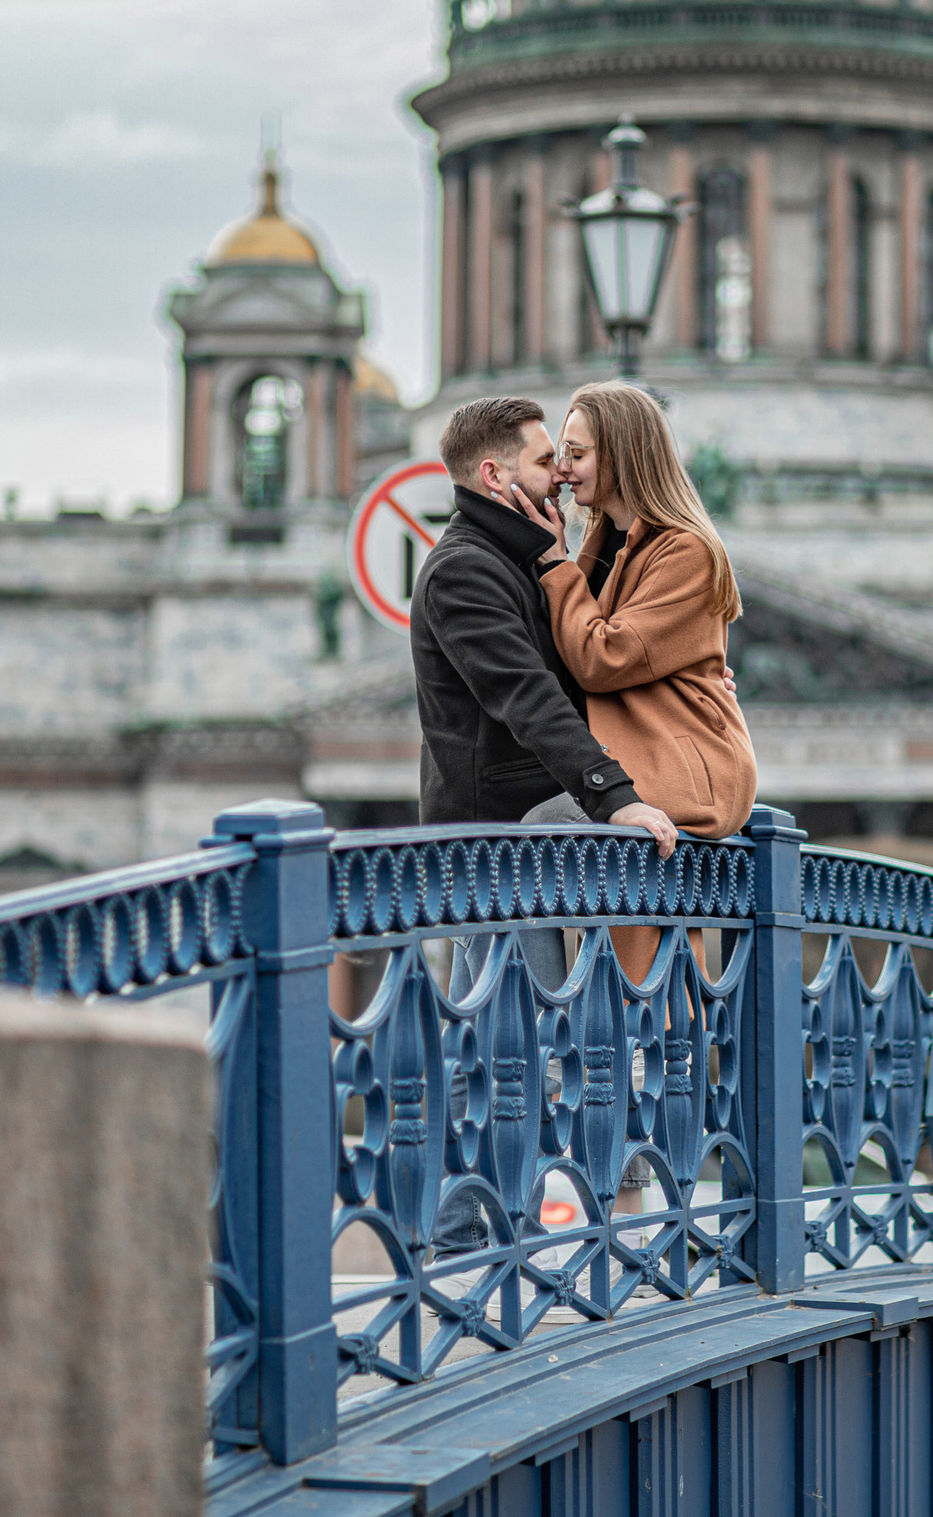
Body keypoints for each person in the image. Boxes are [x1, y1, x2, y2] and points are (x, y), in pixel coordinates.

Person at [412, 396, 681, 1256]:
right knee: (496, 1039)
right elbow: (530, 701)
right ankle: (468, 1240)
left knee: (515, 1035)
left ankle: (501, 1229)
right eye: (543, 463)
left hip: (531, 843)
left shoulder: (520, 556)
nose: (560, 477)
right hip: (491, 846)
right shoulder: (464, 569)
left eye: (568, 462)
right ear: (495, 476)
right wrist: (615, 794)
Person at [504, 381, 758, 984]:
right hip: (643, 751)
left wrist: (551, 564)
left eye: (577, 453)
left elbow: (601, 656)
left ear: (621, 454)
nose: (562, 470)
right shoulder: (604, 542)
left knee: (538, 835)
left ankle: (556, 1027)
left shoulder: (686, 550)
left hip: (684, 766)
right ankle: (631, 1033)